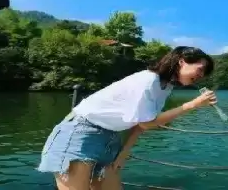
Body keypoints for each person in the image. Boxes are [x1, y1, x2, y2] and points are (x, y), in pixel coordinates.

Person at [38, 46, 216, 190]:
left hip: (109, 139)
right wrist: (192, 105)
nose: (200, 76)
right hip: (80, 134)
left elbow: (139, 125)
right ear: (182, 61)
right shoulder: (149, 81)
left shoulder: (165, 87)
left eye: (203, 75)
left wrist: (123, 153)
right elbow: (146, 123)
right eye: (200, 70)